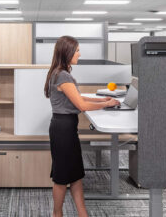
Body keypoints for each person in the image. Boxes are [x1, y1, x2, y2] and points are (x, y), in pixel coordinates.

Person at [44, 36, 120, 217]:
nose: (79, 53)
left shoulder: (60, 73)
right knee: (62, 178)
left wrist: (102, 99)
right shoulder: (62, 75)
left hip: (67, 128)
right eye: (77, 50)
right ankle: (57, 214)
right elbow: (82, 106)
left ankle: (82, 213)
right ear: (68, 52)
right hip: (63, 130)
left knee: (76, 175)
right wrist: (107, 104)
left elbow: (80, 97)